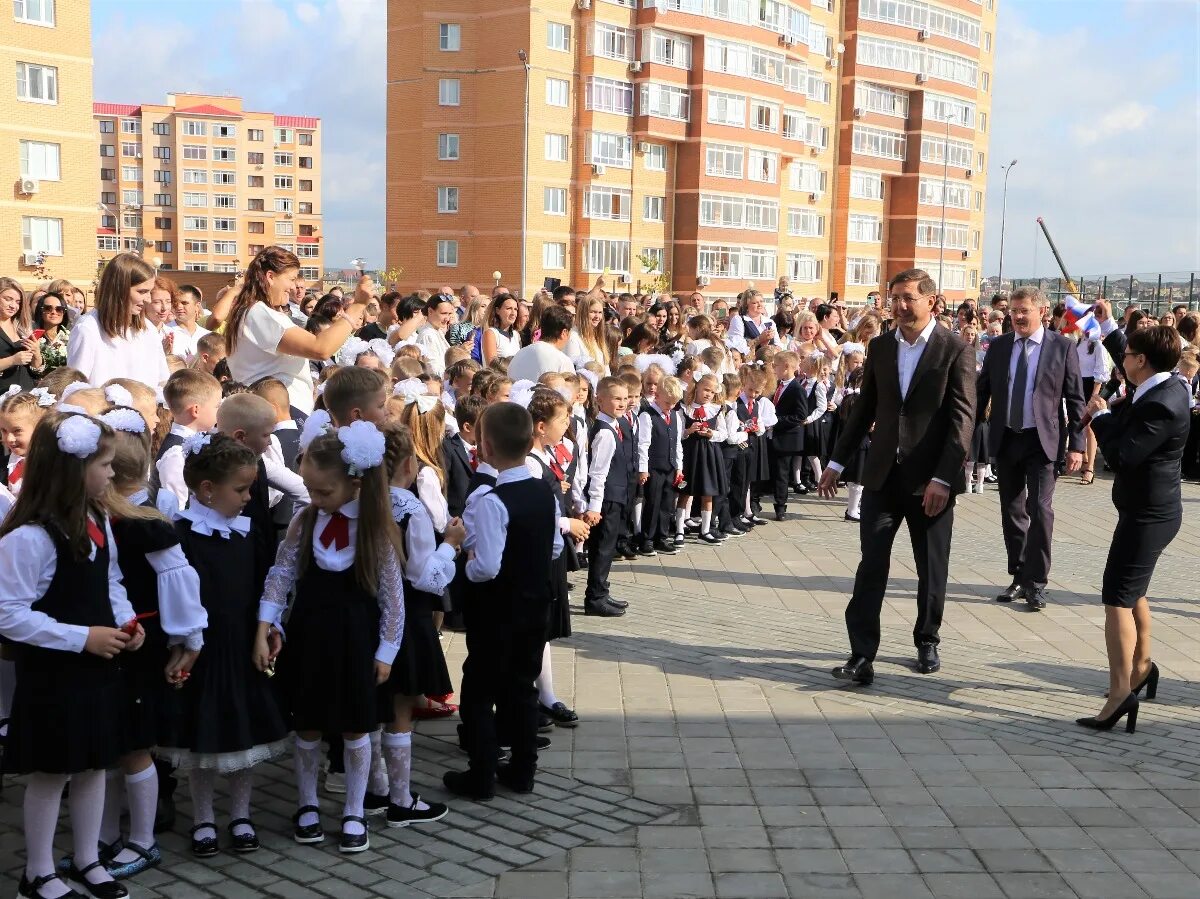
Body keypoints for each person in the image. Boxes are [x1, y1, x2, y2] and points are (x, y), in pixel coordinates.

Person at [0, 412, 140, 899]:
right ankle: (36, 871)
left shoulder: (97, 517)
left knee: (94, 763)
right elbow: (8, 613)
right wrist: (82, 638)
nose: (111, 474)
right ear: (70, 470)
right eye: (104, 464)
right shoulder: (30, 537)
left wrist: (125, 622)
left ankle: (86, 858)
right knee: (51, 770)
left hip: (98, 669)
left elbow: (111, 579)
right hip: (55, 674)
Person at [818, 269, 976, 684]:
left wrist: (944, 478)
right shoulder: (883, 346)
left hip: (931, 482)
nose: (901, 306)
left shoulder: (955, 349)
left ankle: (927, 638)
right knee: (872, 564)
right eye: (895, 298)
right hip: (883, 476)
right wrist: (836, 462)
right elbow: (866, 407)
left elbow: (963, 420)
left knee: (931, 565)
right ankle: (861, 654)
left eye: (908, 298)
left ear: (932, 301)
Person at [256, 423, 405, 853]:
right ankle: (306, 803)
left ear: (354, 483)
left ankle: (355, 808)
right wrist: (267, 623)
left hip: (356, 642)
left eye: (322, 492)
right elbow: (281, 572)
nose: (314, 499)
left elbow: (393, 597)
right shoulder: (306, 520)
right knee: (307, 723)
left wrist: (387, 651)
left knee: (356, 727)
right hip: (309, 636)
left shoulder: (374, 528)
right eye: (310, 490)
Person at [158, 433, 291, 859]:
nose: (249, 497)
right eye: (241, 489)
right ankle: (202, 818)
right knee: (203, 742)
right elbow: (174, 597)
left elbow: (264, 586)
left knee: (242, 740)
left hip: (241, 650)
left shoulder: (246, 533)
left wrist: (271, 629)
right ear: (207, 490)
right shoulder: (181, 535)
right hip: (203, 653)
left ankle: (241, 814)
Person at [99, 408, 207, 880]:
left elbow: (180, 582)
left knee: (137, 743)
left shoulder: (148, 524)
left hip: (142, 645)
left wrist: (189, 639)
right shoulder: (96, 519)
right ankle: (101, 838)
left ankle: (142, 839)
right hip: (104, 643)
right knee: (108, 745)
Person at [443, 402, 562, 800]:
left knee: (479, 690)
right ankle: (523, 770)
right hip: (534, 605)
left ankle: (481, 775)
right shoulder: (544, 491)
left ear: (485, 448)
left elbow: (488, 566)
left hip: (496, 611)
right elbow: (556, 546)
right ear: (531, 442)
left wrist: (468, 560)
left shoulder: (493, 501)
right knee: (522, 687)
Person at [1078, 326, 1190, 733]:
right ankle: (1141, 668)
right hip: (1149, 511)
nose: (1122, 360)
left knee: (1116, 599)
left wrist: (1102, 417)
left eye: (1127, 354)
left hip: (1149, 516)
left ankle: (1119, 692)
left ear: (1141, 360)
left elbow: (1124, 457)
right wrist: (1106, 327)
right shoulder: (1167, 384)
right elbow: (1129, 368)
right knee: (1134, 591)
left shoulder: (1163, 403)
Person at [976, 287, 1086, 611]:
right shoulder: (998, 347)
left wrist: (1077, 446)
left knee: (1040, 509)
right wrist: (965, 436)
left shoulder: (1062, 348)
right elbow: (981, 394)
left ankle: (1037, 583)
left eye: (1024, 310)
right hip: (1007, 437)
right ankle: (1019, 575)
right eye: (1014, 310)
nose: (1018, 316)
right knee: (1012, 511)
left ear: (1043, 311)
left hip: (1042, 441)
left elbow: (1076, 401)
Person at [372, 420, 458, 826]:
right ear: (409, 463)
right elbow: (425, 575)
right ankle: (400, 798)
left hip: (365, 614)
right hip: (405, 615)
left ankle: (374, 788)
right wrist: (451, 547)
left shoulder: (356, 503)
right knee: (401, 706)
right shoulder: (409, 510)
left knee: (372, 707)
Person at [224, 247, 370, 414]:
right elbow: (320, 348)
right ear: (270, 277)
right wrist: (358, 306)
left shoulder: (253, 311)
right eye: (291, 279)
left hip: (275, 409)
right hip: (278, 412)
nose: (293, 287)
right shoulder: (259, 313)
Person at [524, 389, 587, 727]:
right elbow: (533, 510)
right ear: (540, 426)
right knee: (536, 627)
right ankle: (535, 697)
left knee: (543, 628)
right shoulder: (530, 463)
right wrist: (567, 523)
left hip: (553, 548)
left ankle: (545, 694)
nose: (567, 425)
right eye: (562, 420)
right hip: (541, 550)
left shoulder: (546, 456)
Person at [68, 254, 170, 387]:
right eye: (142, 292)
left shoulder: (149, 329)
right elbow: (76, 389)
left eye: (149, 292)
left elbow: (162, 382)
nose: (148, 300)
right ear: (119, 289)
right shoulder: (88, 329)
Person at [582, 377, 634, 617]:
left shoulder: (615, 425)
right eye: (616, 398)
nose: (622, 403)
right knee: (602, 548)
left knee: (607, 546)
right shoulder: (604, 432)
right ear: (600, 400)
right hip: (606, 499)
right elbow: (598, 472)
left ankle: (602, 589)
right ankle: (595, 597)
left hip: (616, 495)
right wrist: (594, 506)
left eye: (625, 398)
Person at [677, 372, 729, 544]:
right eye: (706, 389)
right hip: (690, 454)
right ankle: (679, 530)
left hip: (709, 454)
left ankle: (705, 531)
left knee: (708, 492)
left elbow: (724, 434)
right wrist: (688, 431)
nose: (708, 394)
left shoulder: (716, 410)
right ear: (697, 386)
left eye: (712, 392)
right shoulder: (684, 408)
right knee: (685, 491)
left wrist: (711, 433)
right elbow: (678, 433)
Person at [768, 351, 808, 521]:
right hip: (773, 436)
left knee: (782, 473)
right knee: (773, 470)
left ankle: (780, 506)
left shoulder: (797, 389)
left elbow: (800, 415)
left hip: (786, 438)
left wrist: (776, 421)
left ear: (785, 367)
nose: (773, 368)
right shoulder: (777, 385)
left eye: (775, 365)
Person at [506, 305, 577, 382]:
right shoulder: (563, 361)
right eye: (570, 332)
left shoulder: (519, 354)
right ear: (564, 333)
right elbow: (571, 391)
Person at [726, 291, 784, 357]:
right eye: (755, 303)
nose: (759, 305)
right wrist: (759, 339)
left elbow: (778, 345)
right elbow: (738, 347)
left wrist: (770, 348)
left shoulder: (770, 322)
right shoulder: (739, 320)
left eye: (761, 301)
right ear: (746, 306)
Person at [168, 285, 211, 363]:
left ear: (197, 306)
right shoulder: (165, 333)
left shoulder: (207, 337)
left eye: (184, 303)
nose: (179, 306)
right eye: (175, 302)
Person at [414, 294, 454, 376]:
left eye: (449, 314)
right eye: (443, 313)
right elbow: (434, 370)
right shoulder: (428, 335)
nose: (447, 318)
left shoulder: (436, 331)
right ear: (430, 311)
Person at [480, 294, 521, 365]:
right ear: (497, 310)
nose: (513, 313)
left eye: (515, 309)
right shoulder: (491, 333)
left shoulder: (516, 335)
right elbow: (492, 366)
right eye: (508, 308)